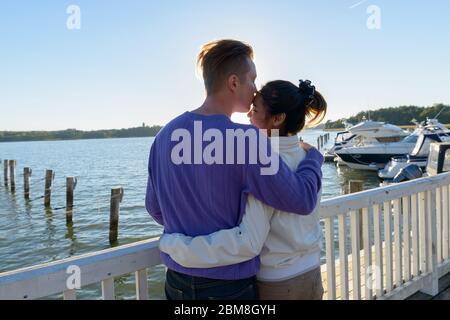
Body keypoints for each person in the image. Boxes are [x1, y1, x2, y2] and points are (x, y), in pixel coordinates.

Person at [145, 39, 324, 300]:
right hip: (227, 286)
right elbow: (301, 198)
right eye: (252, 80)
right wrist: (312, 159)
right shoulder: (246, 140)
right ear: (233, 83)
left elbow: (155, 208)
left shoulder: (164, 136)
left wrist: (191, 223)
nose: (255, 90)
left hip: (177, 280)